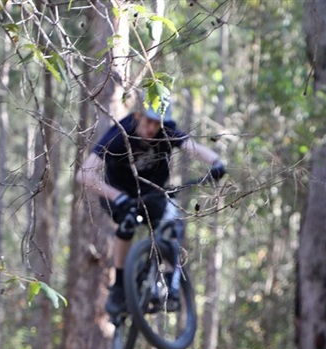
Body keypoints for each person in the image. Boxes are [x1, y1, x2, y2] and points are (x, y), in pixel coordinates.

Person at [77, 96, 225, 317]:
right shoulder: (119, 134)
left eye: (158, 124)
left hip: (151, 193)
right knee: (127, 222)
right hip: (116, 192)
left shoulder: (167, 132)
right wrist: (117, 197)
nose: (152, 128)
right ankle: (119, 286)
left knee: (171, 226)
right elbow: (84, 175)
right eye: (149, 121)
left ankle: (167, 282)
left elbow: (193, 148)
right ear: (138, 116)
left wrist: (216, 163)